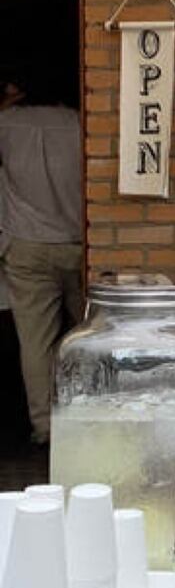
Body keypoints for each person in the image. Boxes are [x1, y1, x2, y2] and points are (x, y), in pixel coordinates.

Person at [0, 67, 84, 446]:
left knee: (35, 342)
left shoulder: (6, 123)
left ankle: (46, 426)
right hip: (79, 242)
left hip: (26, 245)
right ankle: (88, 413)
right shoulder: (80, 122)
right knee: (88, 335)